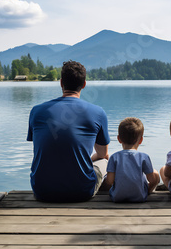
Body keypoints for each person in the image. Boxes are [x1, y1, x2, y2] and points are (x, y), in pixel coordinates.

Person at [26, 60, 110, 202]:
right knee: (106, 160)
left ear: (61, 83)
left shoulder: (37, 111)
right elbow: (103, 154)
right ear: (84, 84)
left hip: (42, 191)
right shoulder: (98, 113)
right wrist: (88, 160)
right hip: (81, 192)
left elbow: (45, 145)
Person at [102, 117, 160, 202]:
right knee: (155, 173)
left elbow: (109, 181)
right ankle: (147, 192)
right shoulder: (144, 157)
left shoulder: (114, 157)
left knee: (108, 175)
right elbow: (152, 180)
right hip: (139, 197)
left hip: (117, 197)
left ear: (119, 139)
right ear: (141, 140)